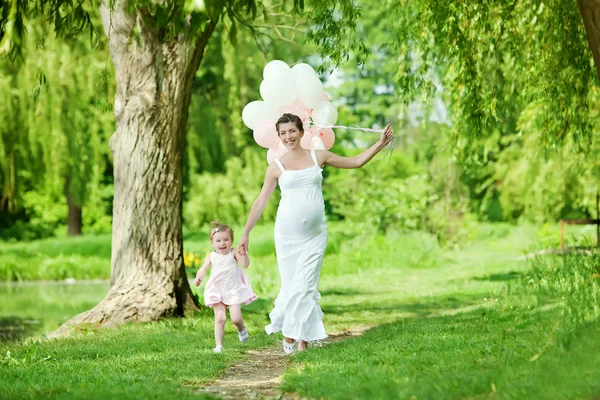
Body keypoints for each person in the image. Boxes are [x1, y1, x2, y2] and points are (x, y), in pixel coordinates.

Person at [238, 113, 393, 354]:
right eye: (283, 133)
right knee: (292, 285)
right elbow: (261, 202)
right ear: (279, 137)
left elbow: (355, 162)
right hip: (287, 236)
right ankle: (302, 338)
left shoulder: (318, 156)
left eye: (292, 131)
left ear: (301, 132)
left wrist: (381, 143)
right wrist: (246, 232)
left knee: (306, 284)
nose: (288, 136)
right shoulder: (276, 166)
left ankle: (291, 336)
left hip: (315, 235)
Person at [195, 221, 258, 353]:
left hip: (232, 289)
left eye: (226, 240)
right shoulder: (211, 256)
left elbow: (245, 264)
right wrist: (199, 278)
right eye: (218, 241)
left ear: (231, 240)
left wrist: (243, 254)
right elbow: (203, 269)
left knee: (235, 318)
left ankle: (241, 330)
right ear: (212, 242)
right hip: (216, 290)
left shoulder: (233, 252)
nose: (222, 243)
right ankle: (219, 346)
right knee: (220, 318)